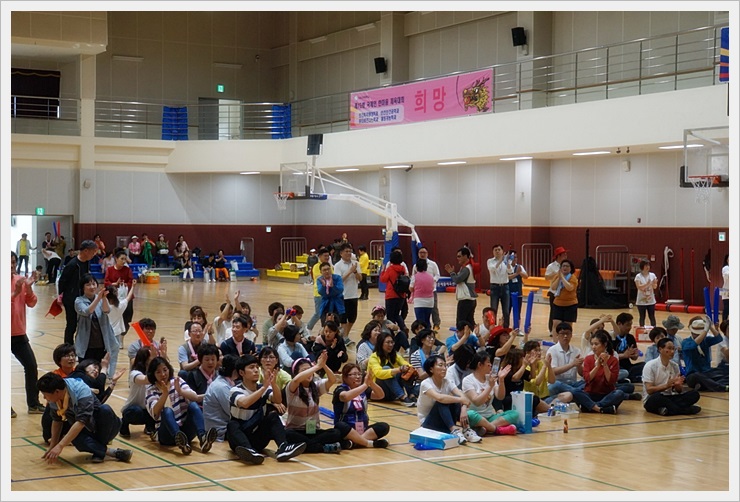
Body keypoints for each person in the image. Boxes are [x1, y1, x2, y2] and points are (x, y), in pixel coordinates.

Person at [227, 354, 307, 464]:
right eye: (251, 367)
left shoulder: (262, 387)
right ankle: (249, 451)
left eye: (257, 367)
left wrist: (273, 383)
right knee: (232, 425)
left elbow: (278, 400)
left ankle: (283, 447)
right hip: (239, 440)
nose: (256, 370)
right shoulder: (235, 390)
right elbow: (244, 403)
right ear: (241, 373)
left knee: (273, 416)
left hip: (257, 437)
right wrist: (264, 387)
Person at [37, 372, 132, 465]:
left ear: (57, 391)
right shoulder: (55, 399)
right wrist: (52, 446)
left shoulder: (80, 391)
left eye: (45, 394)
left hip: (105, 425)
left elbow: (81, 421)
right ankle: (112, 452)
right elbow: (57, 421)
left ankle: (99, 450)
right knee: (73, 438)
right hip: (86, 429)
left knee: (105, 409)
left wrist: (60, 446)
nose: (44, 397)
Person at [145, 356, 217, 455]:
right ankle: (179, 439)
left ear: (169, 369)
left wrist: (180, 391)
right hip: (167, 435)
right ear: (153, 375)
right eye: (158, 372)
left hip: (186, 431)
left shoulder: (177, 381)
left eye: (165, 370)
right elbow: (155, 413)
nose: (163, 374)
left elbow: (195, 397)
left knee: (193, 405)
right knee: (167, 411)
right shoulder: (151, 390)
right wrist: (165, 394)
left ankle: (203, 438)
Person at [284, 354, 346, 454]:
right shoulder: (292, 387)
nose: (309, 373)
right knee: (288, 434)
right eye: (304, 371)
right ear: (296, 373)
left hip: (312, 431)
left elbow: (332, 380)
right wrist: (316, 367)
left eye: (310, 370)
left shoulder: (315, 387)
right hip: (296, 431)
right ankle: (322, 447)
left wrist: (323, 365)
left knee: (336, 433)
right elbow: (296, 379)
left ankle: (308, 446)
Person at [11, 251, 45, 417]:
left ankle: (33, 404)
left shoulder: (20, 280)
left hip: (18, 333)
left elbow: (31, 303)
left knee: (31, 366)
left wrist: (29, 288)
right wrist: (16, 293)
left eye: (13, 262)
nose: (11, 265)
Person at [417, 354, 480, 444]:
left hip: (445, 421)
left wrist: (463, 409)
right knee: (442, 401)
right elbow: (440, 398)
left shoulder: (447, 381)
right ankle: (454, 430)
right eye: (440, 365)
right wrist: (461, 400)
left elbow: (463, 396)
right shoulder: (425, 383)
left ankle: (466, 429)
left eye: (445, 365)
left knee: (454, 401)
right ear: (431, 369)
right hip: (428, 424)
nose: (444, 368)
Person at [332, 364, 390, 449]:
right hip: (347, 430)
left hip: (363, 429)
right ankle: (369, 443)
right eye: (354, 374)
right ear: (345, 377)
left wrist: (371, 382)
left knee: (384, 426)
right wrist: (365, 385)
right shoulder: (340, 389)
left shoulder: (363, 389)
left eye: (359, 374)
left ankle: (354, 443)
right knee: (340, 426)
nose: (358, 377)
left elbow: (380, 395)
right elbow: (345, 397)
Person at [462, 351, 519, 436]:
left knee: (514, 414)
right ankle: (497, 429)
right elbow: (477, 402)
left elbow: (500, 396)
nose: (491, 365)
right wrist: (489, 386)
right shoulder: (468, 380)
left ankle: (485, 428)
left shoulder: (490, 378)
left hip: (490, 417)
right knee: (470, 414)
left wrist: (501, 380)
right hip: (476, 417)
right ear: (480, 365)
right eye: (488, 363)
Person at [571, 330, 627, 414]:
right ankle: (602, 409)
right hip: (590, 393)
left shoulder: (613, 360)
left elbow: (611, 381)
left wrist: (605, 365)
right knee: (575, 392)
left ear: (604, 345)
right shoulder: (588, 359)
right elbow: (587, 379)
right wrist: (597, 366)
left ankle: (590, 407)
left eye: (596, 344)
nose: (593, 347)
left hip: (607, 394)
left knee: (619, 393)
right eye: (592, 344)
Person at [642, 337, 701, 416]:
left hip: (669, 397)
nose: (672, 351)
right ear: (660, 349)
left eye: (673, 349)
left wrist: (677, 386)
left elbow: (678, 391)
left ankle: (667, 410)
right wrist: (666, 386)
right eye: (669, 348)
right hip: (652, 398)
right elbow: (649, 390)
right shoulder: (650, 365)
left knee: (694, 394)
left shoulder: (675, 366)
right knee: (657, 397)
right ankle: (685, 410)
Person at [57, 240, 98, 345]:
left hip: (83, 298)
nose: (94, 254)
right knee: (72, 325)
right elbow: (62, 281)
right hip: (71, 299)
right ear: (86, 251)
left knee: (84, 323)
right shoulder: (72, 265)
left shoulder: (87, 262)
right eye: (93, 252)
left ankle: (81, 346)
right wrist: (60, 296)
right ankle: (68, 347)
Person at [74, 273, 119, 366]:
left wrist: (104, 298)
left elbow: (107, 310)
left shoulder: (101, 299)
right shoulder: (79, 301)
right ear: (83, 287)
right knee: (86, 369)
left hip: (102, 343)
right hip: (86, 344)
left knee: (101, 369)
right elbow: (87, 311)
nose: (92, 287)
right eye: (88, 284)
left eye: (94, 284)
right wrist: (98, 298)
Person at [367, 331, 415, 406]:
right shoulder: (374, 357)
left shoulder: (394, 355)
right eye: (388, 342)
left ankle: (411, 395)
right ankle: (403, 397)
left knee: (407, 370)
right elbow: (378, 373)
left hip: (393, 392)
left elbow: (405, 363)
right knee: (386, 368)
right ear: (381, 343)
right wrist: (398, 370)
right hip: (380, 392)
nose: (391, 345)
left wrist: (410, 368)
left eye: (392, 342)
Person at [682, 316, 728, 392]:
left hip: (707, 373)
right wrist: (705, 331)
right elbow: (694, 345)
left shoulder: (706, 340)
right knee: (696, 376)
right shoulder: (686, 342)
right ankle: (721, 387)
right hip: (693, 375)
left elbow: (719, 338)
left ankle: (705, 386)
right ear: (692, 332)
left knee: (725, 370)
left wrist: (710, 327)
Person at [120, 346, 157, 439]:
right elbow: (145, 380)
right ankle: (123, 423)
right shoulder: (134, 373)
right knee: (136, 411)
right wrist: (154, 362)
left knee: (159, 408)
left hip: (148, 409)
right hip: (133, 409)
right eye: (150, 358)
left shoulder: (153, 373)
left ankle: (150, 427)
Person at [202, 354, 239, 441]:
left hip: (222, 427)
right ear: (234, 371)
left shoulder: (224, 382)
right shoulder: (221, 387)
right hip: (220, 431)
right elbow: (233, 412)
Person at [546, 322, 585, 401]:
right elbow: (553, 371)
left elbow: (581, 373)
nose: (565, 336)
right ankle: (578, 394)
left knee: (587, 383)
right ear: (557, 335)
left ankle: (573, 394)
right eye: (562, 334)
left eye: (568, 333)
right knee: (556, 385)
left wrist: (579, 366)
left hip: (572, 384)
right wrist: (572, 364)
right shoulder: (552, 350)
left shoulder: (576, 350)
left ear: (571, 335)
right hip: (557, 383)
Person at [105, 280, 136, 378]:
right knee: (114, 356)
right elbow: (128, 297)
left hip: (105, 334)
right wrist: (133, 286)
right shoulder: (120, 306)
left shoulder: (103, 307)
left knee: (105, 355)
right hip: (116, 333)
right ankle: (110, 375)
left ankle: (103, 373)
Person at [333, 243, 361, 345]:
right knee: (343, 319)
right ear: (341, 253)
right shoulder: (337, 266)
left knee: (352, 318)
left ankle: (345, 336)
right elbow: (338, 280)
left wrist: (355, 272)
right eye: (346, 251)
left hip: (353, 295)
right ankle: (344, 338)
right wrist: (350, 271)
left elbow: (360, 278)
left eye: (350, 251)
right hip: (342, 296)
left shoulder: (356, 263)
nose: (349, 253)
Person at [104, 249, 136, 336]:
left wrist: (125, 284)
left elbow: (131, 281)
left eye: (125, 259)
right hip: (114, 297)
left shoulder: (127, 270)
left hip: (126, 295)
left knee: (127, 316)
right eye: (122, 259)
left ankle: (122, 336)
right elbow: (106, 282)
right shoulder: (110, 270)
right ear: (116, 259)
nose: (124, 261)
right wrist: (115, 284)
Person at [445, 246, 477, 326]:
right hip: (470, 299)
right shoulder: (469, 267)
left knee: (460, 323)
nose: (457, 258)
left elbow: (457, 280)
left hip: (466, 299)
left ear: (465, 256)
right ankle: (476, 333)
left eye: (459, 256)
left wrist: (452, 273)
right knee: (470, 322)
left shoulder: (466, 269)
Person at [380, 249, 409, 334]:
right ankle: (403, 327)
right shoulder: (403, 269)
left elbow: (383, 279)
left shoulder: (390, 269)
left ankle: (391, 332)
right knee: (397, 314)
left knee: (390, 315)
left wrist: (383, 271)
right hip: (401, 295)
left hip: (391, 295)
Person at [413, 246, 442, 330]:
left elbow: (437, 275)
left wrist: (432, 281)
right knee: (420, 309)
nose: (422, 254)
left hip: (431, 290)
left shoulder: (433, 264)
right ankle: (422, 326)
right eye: (420, 253)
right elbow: (413, 276)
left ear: (427, 254)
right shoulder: (415, 266)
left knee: (434, 308)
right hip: (420, 292)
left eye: (424, 253)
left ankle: (436, 324)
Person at [549, 258, 579, 341]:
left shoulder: (573, 278)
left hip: (570, 305)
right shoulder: (557, 276)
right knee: (556, 324)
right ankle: (555, 343)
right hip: (558, 304)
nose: (565, 268)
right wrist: (559, 278)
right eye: (563, 266)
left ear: (570, 268)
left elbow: (569, 288)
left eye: (567, 266)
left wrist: (562, 278)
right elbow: (553, 287)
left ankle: (565, 342)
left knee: (567, 326)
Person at [612, 312, 645, 383]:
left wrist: (635, 355)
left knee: (645, 365)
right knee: (624, 372)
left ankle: (627, 378)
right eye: (627, 325)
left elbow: (634, 358)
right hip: (615, 367)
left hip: (628, 367)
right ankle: (630, 378)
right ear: (619, 324)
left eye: (630, 325)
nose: (629, 327)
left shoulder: (630, 337)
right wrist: (624, 355)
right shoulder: (611, 337)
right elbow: (609, 356)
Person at [487, 244, 513, 329]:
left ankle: (506, 329)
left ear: (502, 251)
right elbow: (492, 269)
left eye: (499, 250)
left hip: (505, 287)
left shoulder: (506, 261)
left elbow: (510, 271)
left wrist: (507, 262)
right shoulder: (490, 261)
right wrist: (500, 260)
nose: (497, 251)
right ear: (493, 252)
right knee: (493, 309)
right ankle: (493, 329)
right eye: (495, 250)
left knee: (506, 310)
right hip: (495, 287)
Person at [545, 246, 568, 332]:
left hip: (563, 292)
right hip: (554, 292)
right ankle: (552, 330)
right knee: (554, 312)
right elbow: (547, 277)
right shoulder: (551, 266)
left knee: (563, 312)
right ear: (559, 256)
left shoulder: (566, 266)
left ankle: (562, 329)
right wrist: (557, 273)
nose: (566, 255)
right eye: (564, 254)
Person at [317, 261, 345, 326]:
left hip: (337, 305)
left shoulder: (337, 278)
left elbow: (340, 290)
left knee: (335, 326)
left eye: (328, 269)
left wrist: (332, 287)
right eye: (324, 270)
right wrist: (324, 286)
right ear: (321, 272)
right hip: (325, 305)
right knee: (325, 325)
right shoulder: (320, 280)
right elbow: (321, 292)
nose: (327, 271)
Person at [410, 258, 435, 328]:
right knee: (427, 320)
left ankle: (422, 334)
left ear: (416, 267)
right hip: (430, 301)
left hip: (419, 302)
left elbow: (411, 288)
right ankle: (428, 332)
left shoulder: (415, 277)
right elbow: (432, 287)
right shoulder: (431, 277)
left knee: (420, 322)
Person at [506, 250, 528, 325]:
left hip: (518, 293)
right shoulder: (506, 267)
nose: (515, 259)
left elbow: (526, 276)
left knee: (517, 312)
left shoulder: (519, 267)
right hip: (508, 294)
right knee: (506, 312)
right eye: (513, 257)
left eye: (516, 257)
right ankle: (505, 327)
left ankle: (516, 328)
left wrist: (520, 272)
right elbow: (507, 277)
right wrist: (516, 273)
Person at [634, 259, 658, 327]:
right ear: (642, 266)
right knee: (642, 317)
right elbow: (639, 287)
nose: (648, 267)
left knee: (652, 316)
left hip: (651, 300)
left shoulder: (652, 275)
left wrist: (654, 283)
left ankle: (654, 329)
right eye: (646, 265)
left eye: (648, 265)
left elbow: (655, 287)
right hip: (641, 301)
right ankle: (641, 330)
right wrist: (647, 284)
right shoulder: (638, 276)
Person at [721, 254, 729, 321]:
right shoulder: (725, 268)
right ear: (727, 259)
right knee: (727, 308)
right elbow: (727, 276)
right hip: (726, 290)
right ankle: (724, 323)